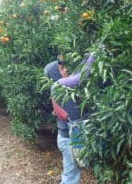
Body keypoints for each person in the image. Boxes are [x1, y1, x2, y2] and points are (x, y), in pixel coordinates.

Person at [44, 53, 95, 184]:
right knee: (71, 177)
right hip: (69, 139)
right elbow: (80, 77)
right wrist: (93, 56)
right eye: (61, 69)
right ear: (55, 73)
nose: (66, 70)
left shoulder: (60, 85)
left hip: (71, 136)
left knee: (73, 173)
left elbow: (75, 75)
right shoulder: (59, 84)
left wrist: (84, 60)